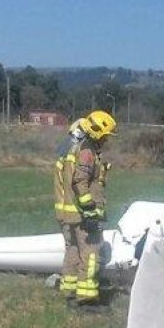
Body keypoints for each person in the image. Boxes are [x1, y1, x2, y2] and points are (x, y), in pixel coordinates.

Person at [53, 110, 116, 307]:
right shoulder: (87, 152)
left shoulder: (81, 149)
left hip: (71, 213)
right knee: (90, 253)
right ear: (98, 133)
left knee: (73, 250)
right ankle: (86, 298)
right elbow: (80, 180)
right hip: (82, 213)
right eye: (106, 136)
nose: (107, 139)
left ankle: (70, 291)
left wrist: (102, 172)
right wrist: (89, 208)